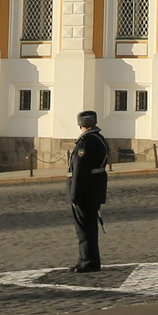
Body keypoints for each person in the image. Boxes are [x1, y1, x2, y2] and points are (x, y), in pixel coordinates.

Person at [64, 111, 111, 273]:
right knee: (89, 226)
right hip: (95, 188)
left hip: (86, 191)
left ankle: (89, 261)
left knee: (84, 228)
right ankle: (86, 258)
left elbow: (80, 170)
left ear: (81, 125)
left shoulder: (86, 141)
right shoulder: (99, 138)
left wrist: (74, 194)